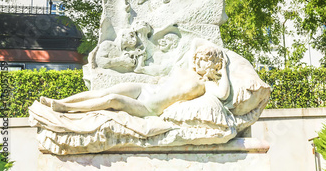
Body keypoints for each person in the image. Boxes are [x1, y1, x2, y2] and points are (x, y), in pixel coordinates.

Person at [40, 44, 229, 118]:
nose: (198, 60)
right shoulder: (189, 67)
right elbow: (194, 44)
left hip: (149, 107)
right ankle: (62, 101)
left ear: (215, 64)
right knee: (103, 92)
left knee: (112, 99)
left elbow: (224, 93)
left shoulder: (207, 84)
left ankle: (66, 109)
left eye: (205, 59)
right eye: (199, 57)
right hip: (145, 89)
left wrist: (226, 69)